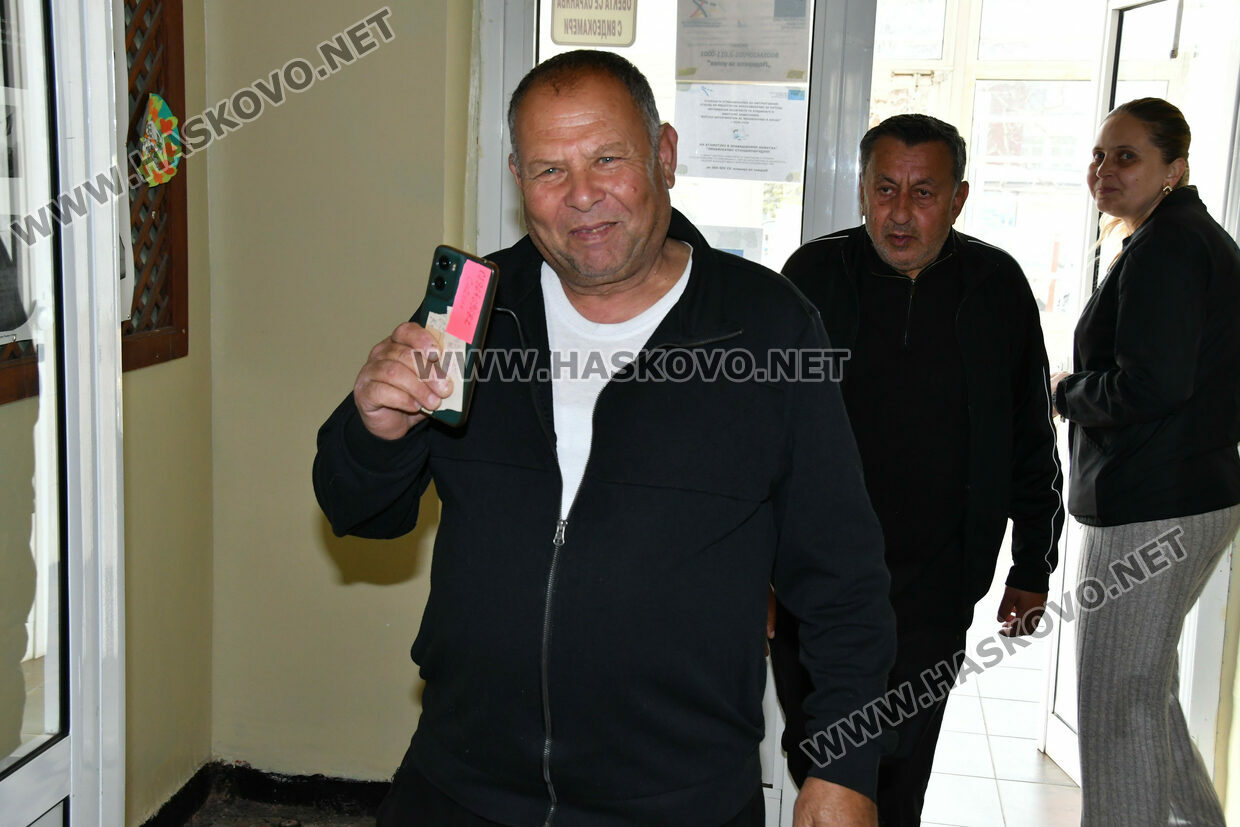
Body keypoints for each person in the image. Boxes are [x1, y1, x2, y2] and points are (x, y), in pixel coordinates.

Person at [313, 50, 895, 826]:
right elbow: (358, 510)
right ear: (518, 180)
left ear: (665, 155)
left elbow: (842, 575)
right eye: (550, 169)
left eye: (608, 159)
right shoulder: (474, 312)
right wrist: (373, 433)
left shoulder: (766, 326)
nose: (582, 195)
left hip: (679, 800)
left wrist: (845, 766)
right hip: (460, 783)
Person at [769, 113, 1064, 826]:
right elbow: (761, 434)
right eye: (885, 189)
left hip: (934, 584)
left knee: (898, 769)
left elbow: (1031, 436)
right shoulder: (813, 275)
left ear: (958, 199)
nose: (900, 213)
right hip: (815, 577)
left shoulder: (996, 286)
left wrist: (1033, 564)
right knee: (819, 757)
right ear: (863, 190)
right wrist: (758, 567)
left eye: (923, 193)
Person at [1050, 97, 1240, 826]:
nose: (1104, 169)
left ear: (1174, 168)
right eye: (1099, 155)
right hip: (1185, 495)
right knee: (1145, 695)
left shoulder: (1169, 248)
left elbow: (1152, 385)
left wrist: (1065, 391)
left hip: (1153, 508)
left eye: (1126, 156)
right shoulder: (1176, 237)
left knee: (1116, 709)